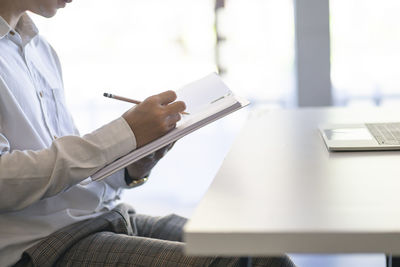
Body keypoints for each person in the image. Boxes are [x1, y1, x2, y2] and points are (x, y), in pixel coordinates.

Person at [0, 0, 296, 266]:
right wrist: (124, 132)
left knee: (266, 258)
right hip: (40, 245)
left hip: (101, 216)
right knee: (229, 263)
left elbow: (68, 168)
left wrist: (132, 166)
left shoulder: (40, 50)